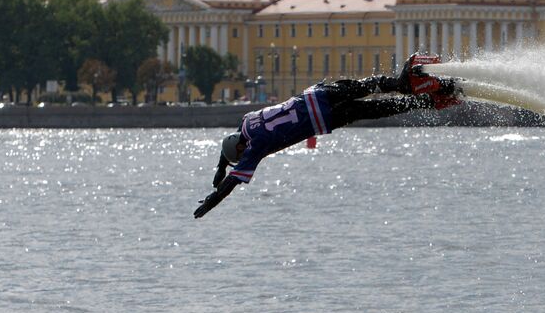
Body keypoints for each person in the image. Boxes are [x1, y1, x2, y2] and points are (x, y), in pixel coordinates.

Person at [193, 55, 461, 218]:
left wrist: (213, 199)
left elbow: (233, 181)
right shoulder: (247, 121)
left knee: (373, 109)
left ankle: (426, 101)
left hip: (320, 119)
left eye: (238, 156)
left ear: (241, 149)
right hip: (316, 94)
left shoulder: (255, 146)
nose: (241, 158)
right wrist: (219, 166)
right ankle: (402, 82)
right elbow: (229, 145)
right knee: (365, 86)